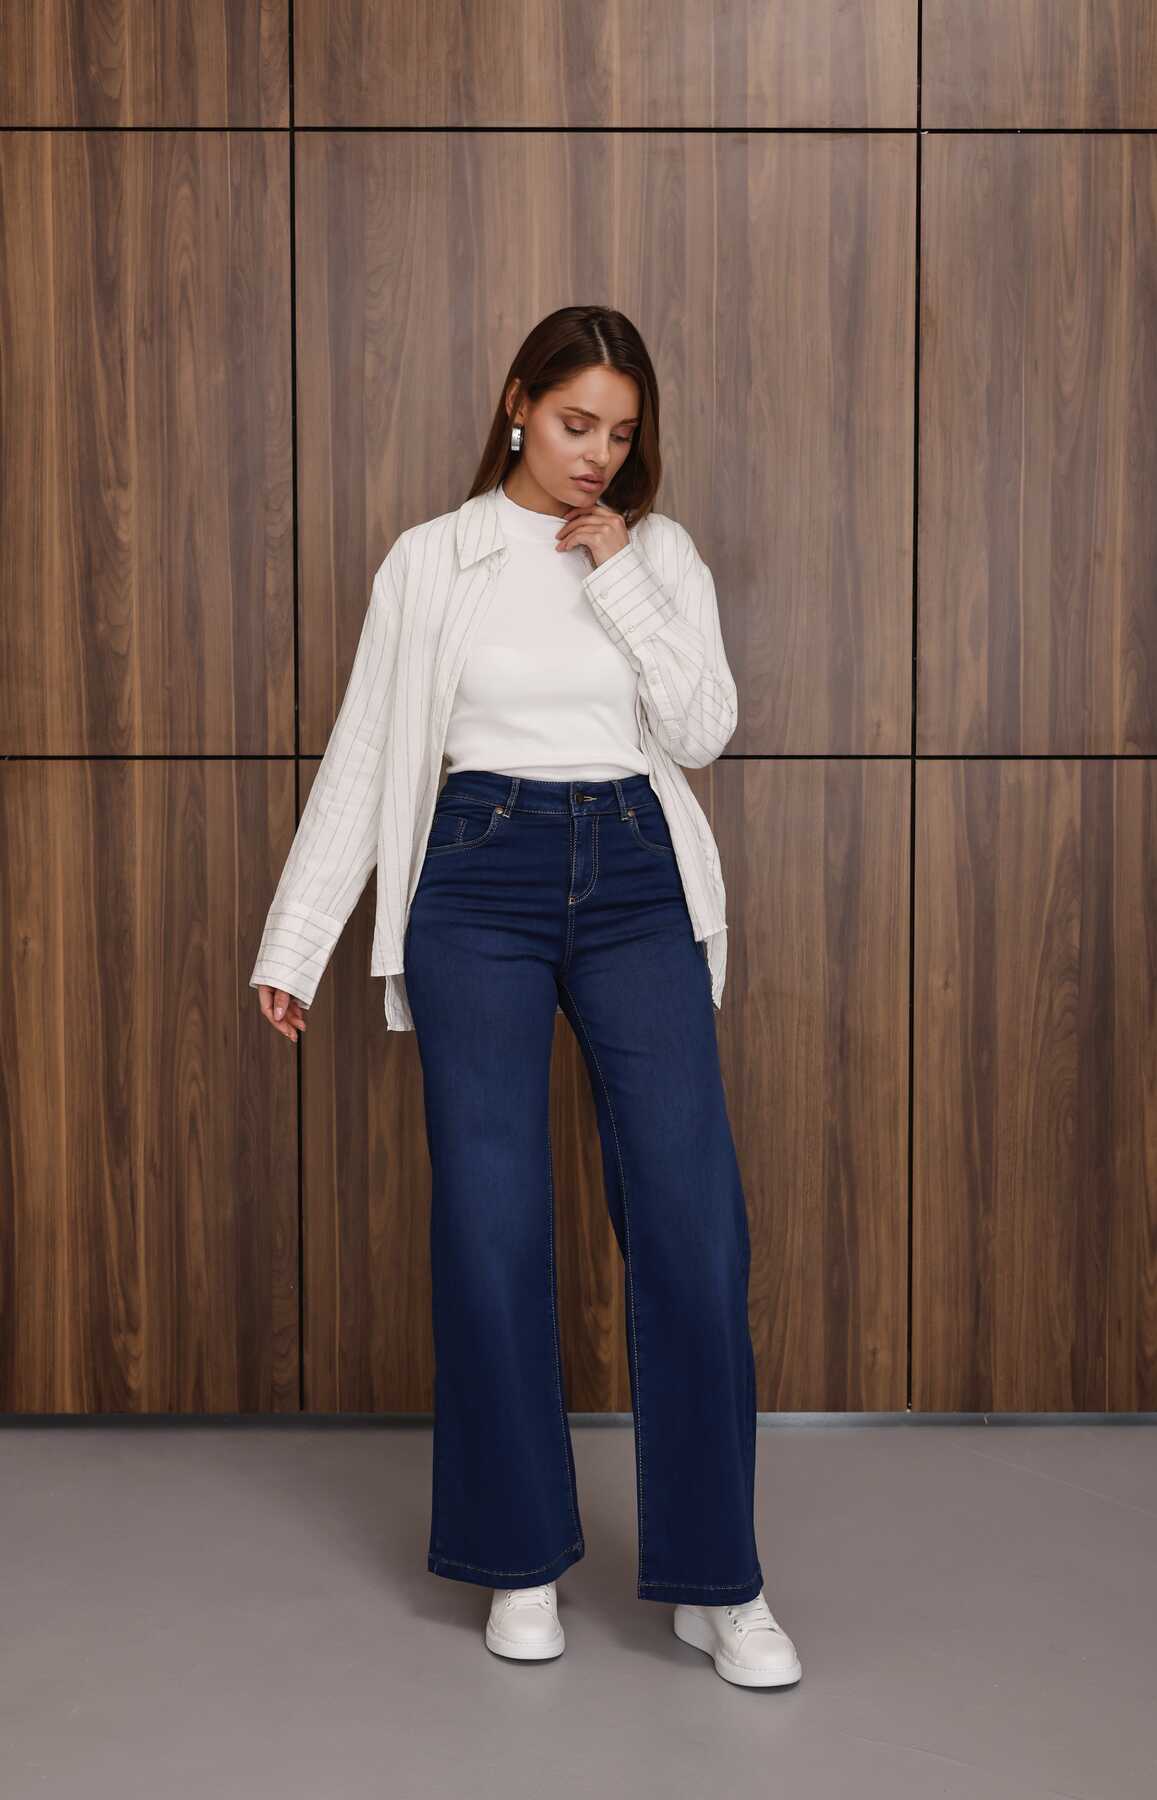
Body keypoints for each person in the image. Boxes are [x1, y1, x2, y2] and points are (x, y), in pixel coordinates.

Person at [251, 305, 801, 1689]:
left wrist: (619, 577)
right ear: (517, 404)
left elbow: (704, 730)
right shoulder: (433, 559)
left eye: (619, 433)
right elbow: (367, 747)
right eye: (573, 424)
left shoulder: (658, 554)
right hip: (475, 878)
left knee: (693, 1224)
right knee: (490, 1226)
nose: (595, 455)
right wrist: (295, 942)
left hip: (634, 873)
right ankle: (518, 1559)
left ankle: (717, 1582)